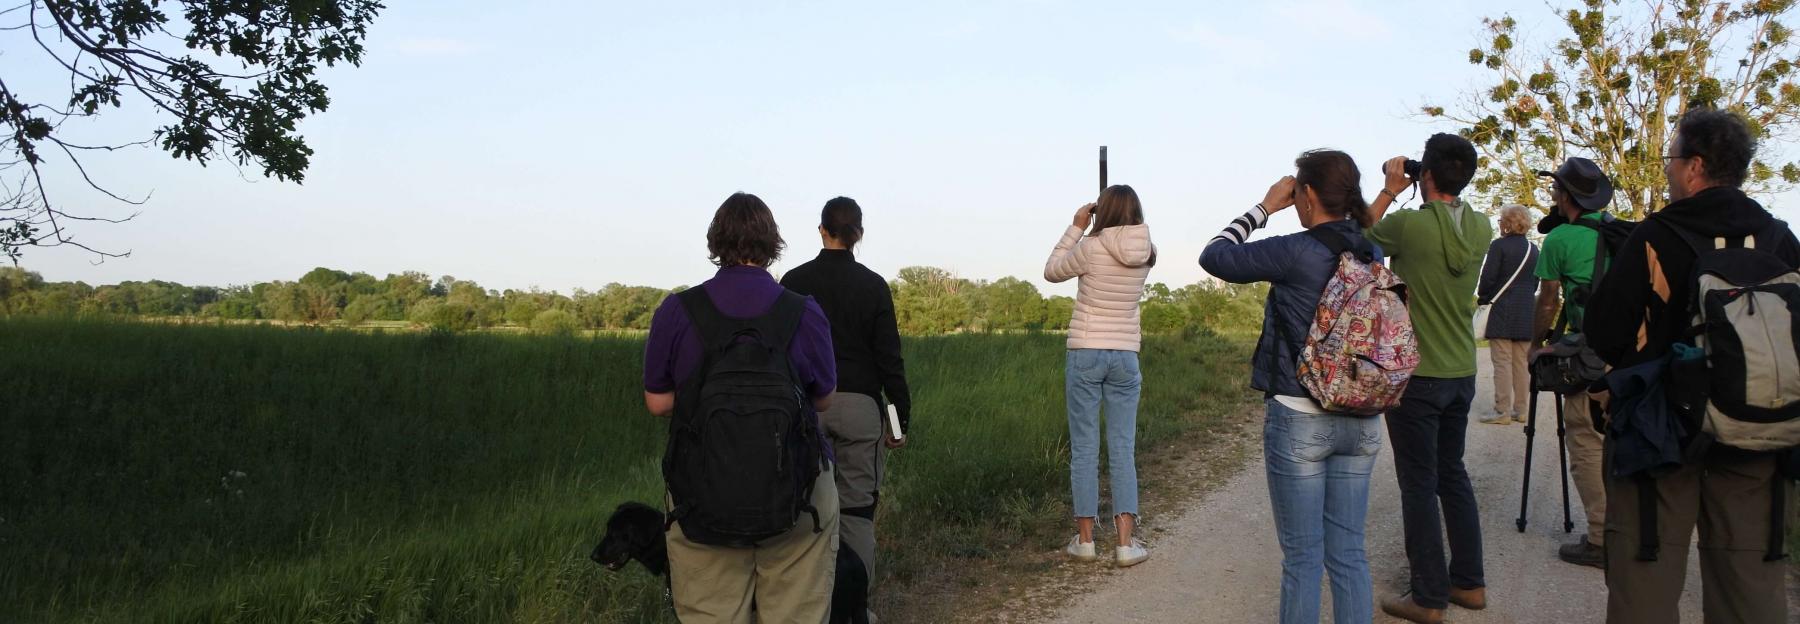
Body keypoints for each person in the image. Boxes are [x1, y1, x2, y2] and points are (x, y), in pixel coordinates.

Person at [1587, 109, 1800, 624]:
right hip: (1758, 424)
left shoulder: (1657, 234)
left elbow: (1606, 332)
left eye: (1672, 158)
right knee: (1749, 579)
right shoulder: (1778, 239)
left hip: (1660, 432)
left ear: (1694, 166)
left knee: (1646, 575)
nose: (1667, 169)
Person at [1200, 150, 1385, 624]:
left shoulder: (1295, 250)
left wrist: (1262, 208)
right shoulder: (1370, 252)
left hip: (1300, 416)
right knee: (1349, 555)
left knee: (1303, 559)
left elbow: (1215, 256)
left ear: (1305, 194)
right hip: (1362, 417)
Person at [642, 192, 841, 624]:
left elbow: (657, 402)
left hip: (702, 490)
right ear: (773, 244)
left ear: (716, 242)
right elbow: (822, 398)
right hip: (797, 487)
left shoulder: (678, 310)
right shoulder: (803, 311)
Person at [1365, 134, 1493, 624]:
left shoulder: (1408, 225)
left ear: (1428, 174)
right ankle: (1470, 582)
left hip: (1417, 375)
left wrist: (1391, 188)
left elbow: (1358, 235)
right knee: (1452, 475)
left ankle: (1427, 596)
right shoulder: (1481, 227)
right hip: (1462, 368)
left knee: (1418, 484)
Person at [781, 196, 912, 618]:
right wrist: (899, 418)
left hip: (805, 408)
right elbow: (889, 359)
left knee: (804, 509)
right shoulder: (874, 285)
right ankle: (856, 611)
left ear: (822, 230)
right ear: (859, 233)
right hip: (860, 408)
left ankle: (811, 606)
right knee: (857, 511)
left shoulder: (793, 281)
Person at [1044, 184, 1156, 568]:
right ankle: (1125, 544)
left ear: (1101, 211)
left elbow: (1051, 271)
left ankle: (1086, 540)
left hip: (1087, 351)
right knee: (1123, 448)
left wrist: (1077, 227)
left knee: (1085, 448)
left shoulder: (1090, 248)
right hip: (1126, 354)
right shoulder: (1148, 251)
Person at [1525, 156, 1616, 568]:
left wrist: (1537, 342)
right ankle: (1629, 526)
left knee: (1586, 440)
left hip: (1589, 355)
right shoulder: (1621, 232)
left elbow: (1548, 301)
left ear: (1565, 196)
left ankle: (1601, 537)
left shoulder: (1560, 240)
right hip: (1631, 355)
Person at [1475, 204, 1539, 426]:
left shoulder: (1499, 246)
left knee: (1502, 362)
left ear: (1509, 223)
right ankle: (1521, 410)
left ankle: (1502, 410)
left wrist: (1483, 298)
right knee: (1521, 363)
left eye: (1501, 220)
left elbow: (1488, 278)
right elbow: (1535, 282)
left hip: (1502, 310)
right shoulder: (1534, 249)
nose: (1499, 224)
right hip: (1525, 311)